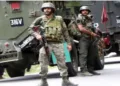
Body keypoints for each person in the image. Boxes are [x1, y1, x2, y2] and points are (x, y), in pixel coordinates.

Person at [28, 2, 78, 86]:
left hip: (58, 44)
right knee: (43, 63)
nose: (46, 10)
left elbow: (65, 31)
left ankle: (65, 81)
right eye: (44, 8)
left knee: (62, 63)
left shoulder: (59, 19)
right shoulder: (40, 19)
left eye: (48, 8)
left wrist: (68, 43)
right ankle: (43, 82)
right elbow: (30, 29)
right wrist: (37, 35)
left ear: (52, 9)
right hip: (46, 44)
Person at [77, 6, 101, 76]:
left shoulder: (89, 18)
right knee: (83, 54)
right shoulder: (79, 18)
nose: (85, 11)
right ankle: (83, 71)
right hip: (83, 39)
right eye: (83, 10)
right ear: (81, 12)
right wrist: (91, 33)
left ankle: (90, 69)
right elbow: (81, 29)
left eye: (86, 10)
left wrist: (96, 32)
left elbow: (92, 27)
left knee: (92, 55)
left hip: (91, 39)